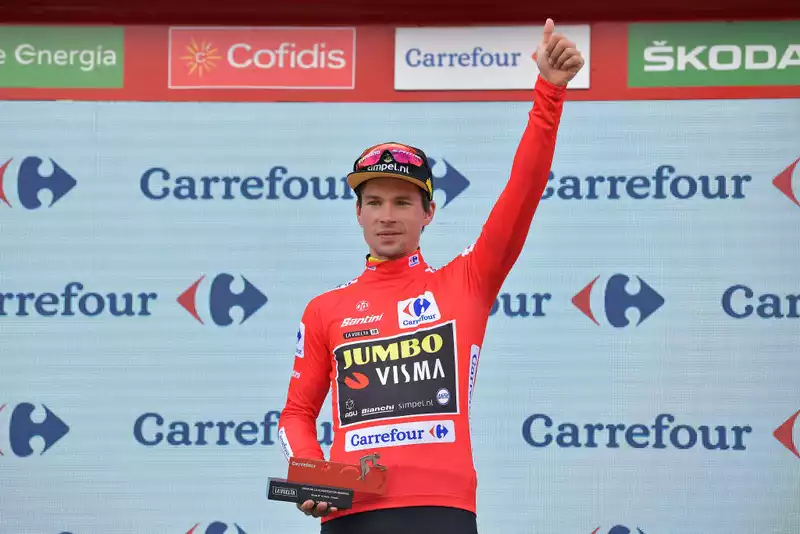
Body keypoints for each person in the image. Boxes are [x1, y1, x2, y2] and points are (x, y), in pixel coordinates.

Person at [277, 18, 584, 534]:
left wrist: (549, 93)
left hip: (442, 510)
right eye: (373, 202)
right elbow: (296, 414)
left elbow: (523, 191)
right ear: (358, 215)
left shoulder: (466, 281)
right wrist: (312, 474)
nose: (387, 215)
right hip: (353, 514)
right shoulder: (325, 309)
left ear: (429, 213)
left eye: (402, 202)